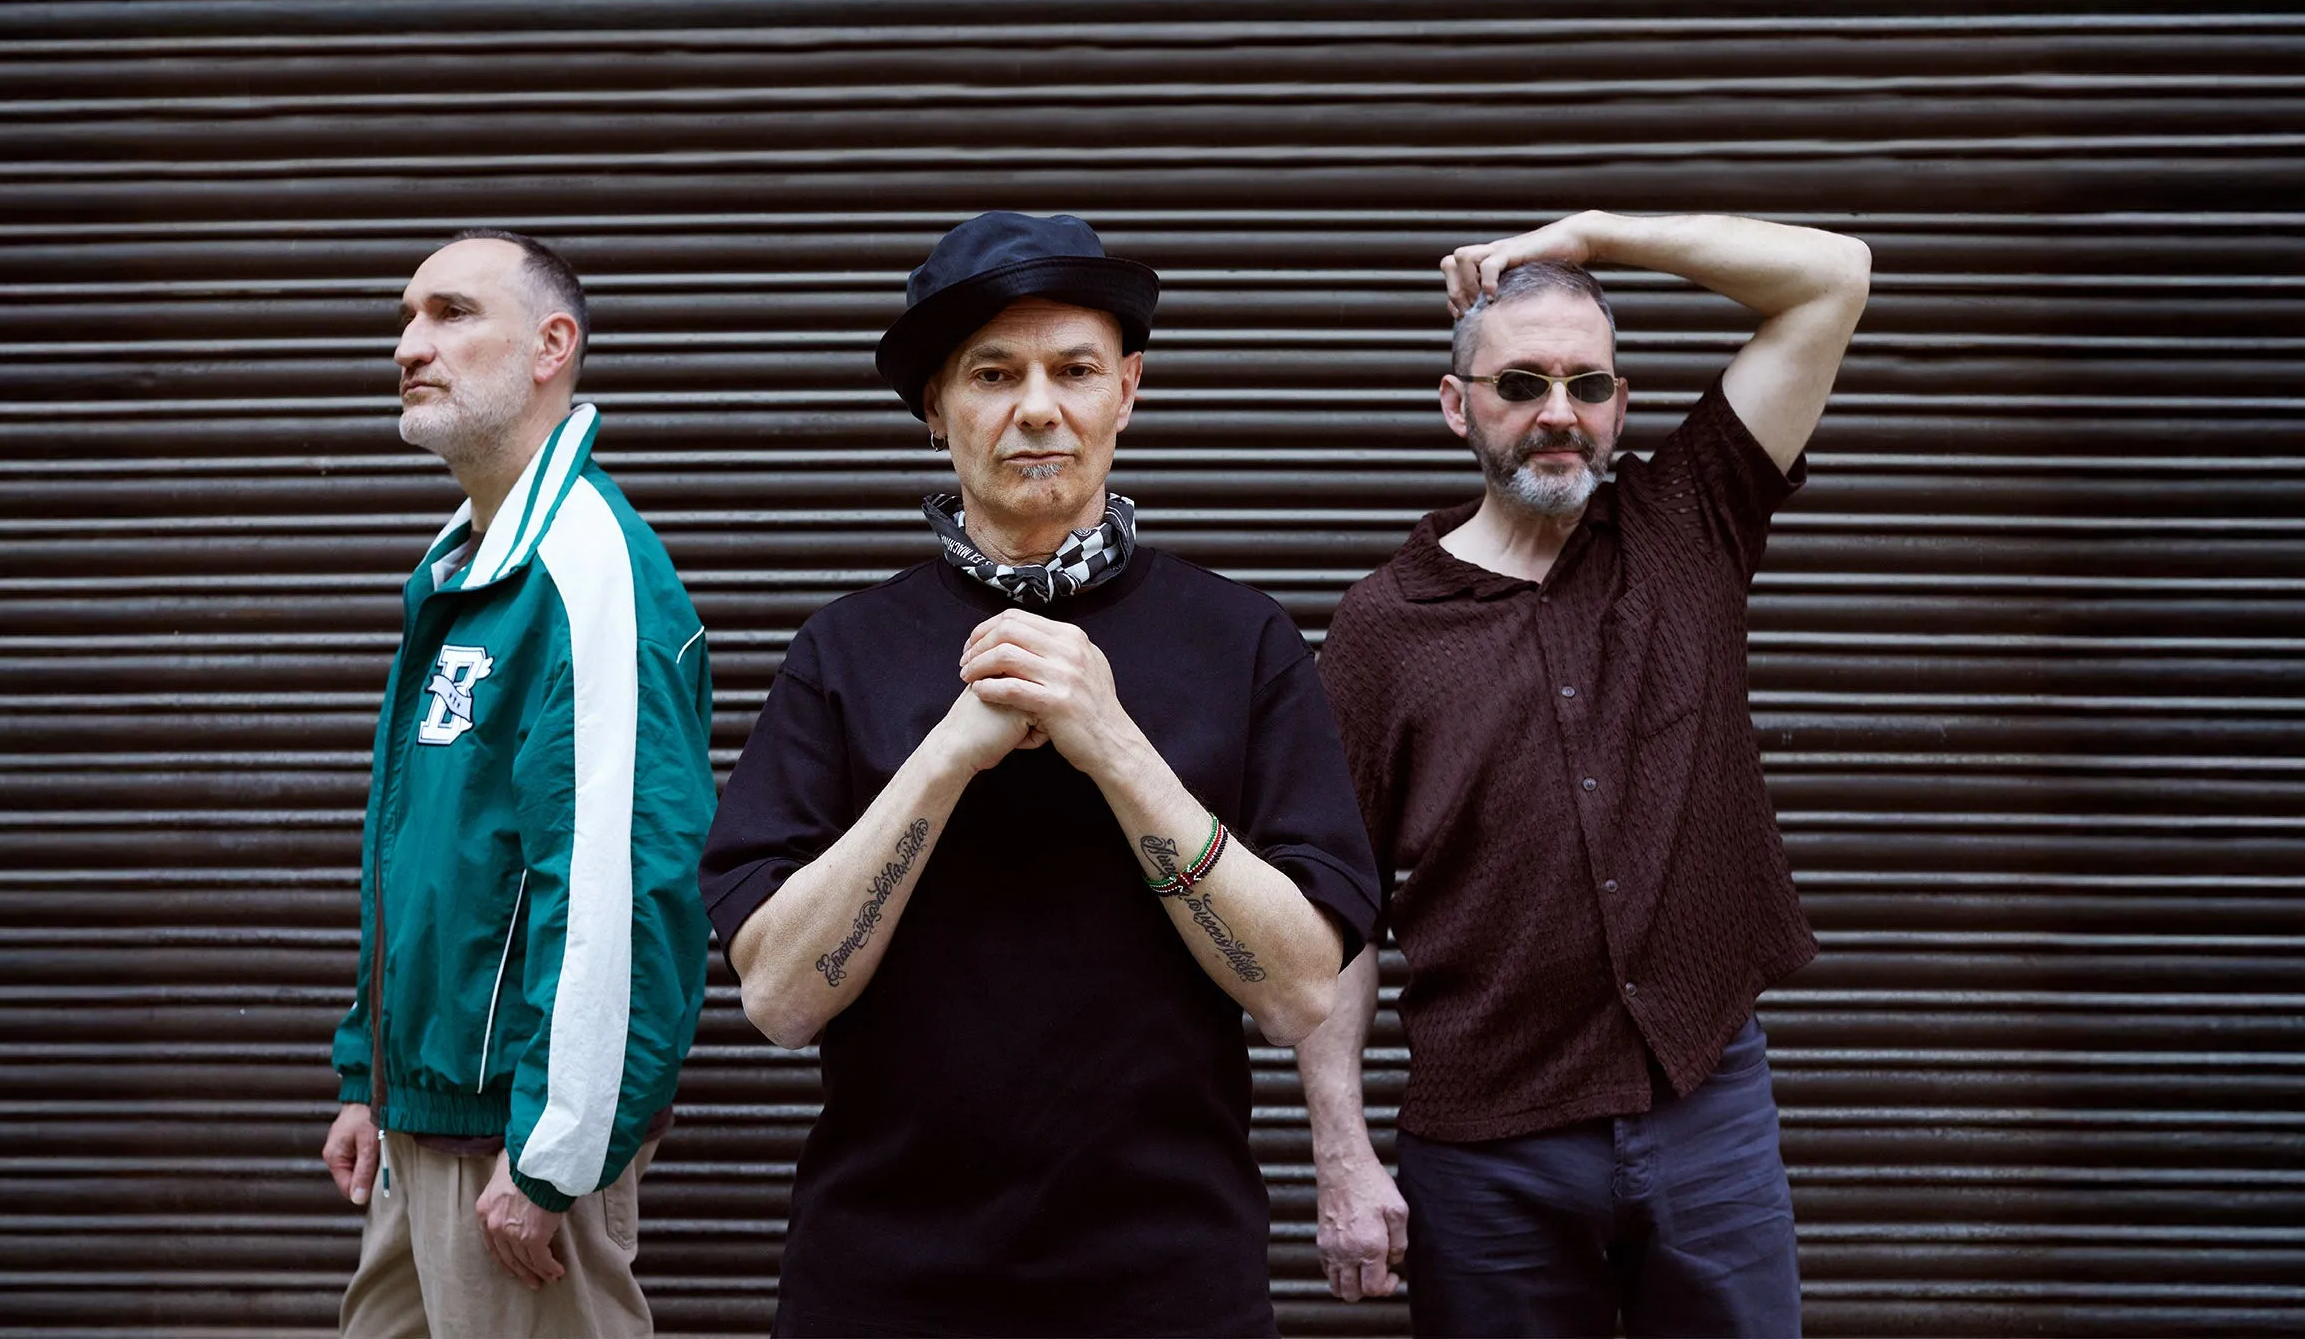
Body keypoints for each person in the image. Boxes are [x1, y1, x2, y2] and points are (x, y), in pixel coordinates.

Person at [699, 211, 1381, 1336]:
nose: (1036, 408)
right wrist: (943, 757)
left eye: (1074, 370)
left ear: (1127, 392)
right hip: (884, 1282)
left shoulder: (1242, 640)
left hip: (1167, 1283)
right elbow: (778, 1000)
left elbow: (1298, 990)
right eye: (991, 374)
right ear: (936, 409)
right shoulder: (843, 650)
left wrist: (1111, 742)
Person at [1298, 211, 1873, 1337]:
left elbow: (1833, 276)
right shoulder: (1382, 627)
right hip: (1486, 1148)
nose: (1557, 412)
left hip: (1703, 1107)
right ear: (1456, 405)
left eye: (1587, 384)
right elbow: (1337, 910)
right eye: (1520, 383)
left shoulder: (1689, 519)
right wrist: (1341, 1152)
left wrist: (1593, 236)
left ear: (1619, 402)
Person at [321, 230, 716, 1337]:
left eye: (451, 314)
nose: (409, 346)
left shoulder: (584, 571)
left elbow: (620, 886)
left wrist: (554, 1152)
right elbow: (431, 852)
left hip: (514, 1146)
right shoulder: (468, 564)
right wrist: (369, 1078)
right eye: (406, 318)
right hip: (425, 1122)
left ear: (552, 346)